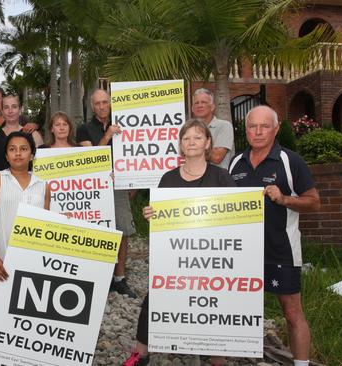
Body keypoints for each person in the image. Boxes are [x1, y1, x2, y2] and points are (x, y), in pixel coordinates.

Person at [123, 119, 235, 366]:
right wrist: (152, 215)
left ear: (207, 143)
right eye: (186, 138)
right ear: (181, 146)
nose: (191, 142)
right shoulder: (168, 179)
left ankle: (218, 358)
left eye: (197, 137)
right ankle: (141, 354)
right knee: (156, 299)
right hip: (175, 257)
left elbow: (235, 218)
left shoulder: (222, 177)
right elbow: (161, 220)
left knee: (215, 303)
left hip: (213, 255)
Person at [228, 105, 320, 366]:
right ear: (245, 130)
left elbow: (314, 202)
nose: (257, 132)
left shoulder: (290, 161)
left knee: (292, 314)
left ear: (276, 129)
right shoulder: (236, 162)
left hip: (281, 250)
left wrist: (284, 199)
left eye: (264, 126)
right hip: (243, 253)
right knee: (239, 312)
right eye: (252, 126)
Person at [77, 88, 137, 298]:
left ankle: (119, 279)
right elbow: (90, 159)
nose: (102, 106)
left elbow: (137, 151)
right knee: (97, 232)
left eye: (105, 102)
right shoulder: (84, 129)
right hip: (94, 187)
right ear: (92, 106)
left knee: (122, 231)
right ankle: (97, 277)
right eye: (97, 103)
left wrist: (134, 181)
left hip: (119, 185)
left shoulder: (125, 122)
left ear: (110, 103)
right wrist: (108, 135)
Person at [0, 131, 51, 286]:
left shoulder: (43, 186)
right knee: (4, 306)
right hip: (3, 261)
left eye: (23, 149)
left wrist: (63, 220)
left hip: (35, 260)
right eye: (12, 149)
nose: (18, 153)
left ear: (32, 155)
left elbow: (46, 224)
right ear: (6, 156)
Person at [0, 94, 44, 179]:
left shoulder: (33, 135)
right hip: (0, 189)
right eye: (6, 107)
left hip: (27, 190)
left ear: (20, 110)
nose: (10, 111)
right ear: (2, 111)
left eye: (14, 107)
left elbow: (42, 168)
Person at [191, 88, 235, 169]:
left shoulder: (224, 126)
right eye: (196, 103)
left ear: (212, 107)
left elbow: (217, 157)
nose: (199, 105)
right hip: (194, 178)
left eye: (203, 102)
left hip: (218, 179)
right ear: (192, 108)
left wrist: (192, 147)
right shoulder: (189, 129)